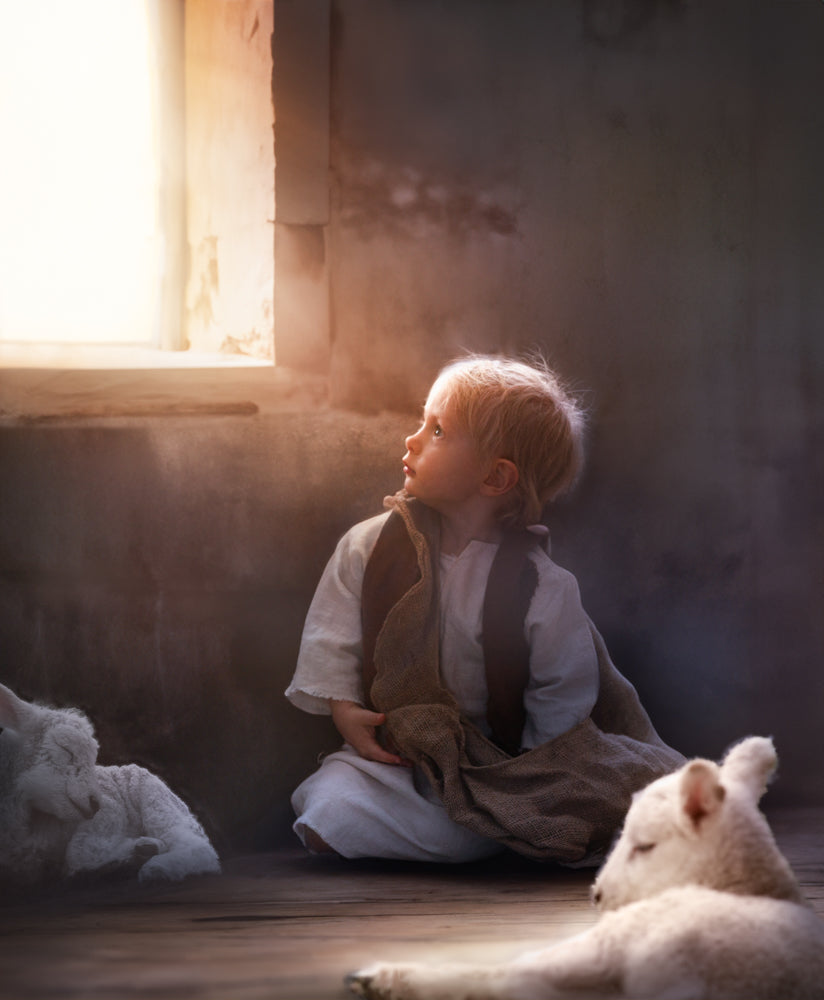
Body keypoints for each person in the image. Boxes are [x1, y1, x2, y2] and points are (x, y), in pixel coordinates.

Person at [285, 354, 683, 865]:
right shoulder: (368, 547)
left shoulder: (543, 586)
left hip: (504, 762)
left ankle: (499, 826)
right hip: (406, 758)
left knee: (580, 803)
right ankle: (488, 836)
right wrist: (344, 709)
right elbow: (332, 632)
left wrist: (529, 771)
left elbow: (561, 690)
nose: (412, 439)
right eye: (421, 422)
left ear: (496, 478)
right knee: (327, 806)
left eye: (438, 430)